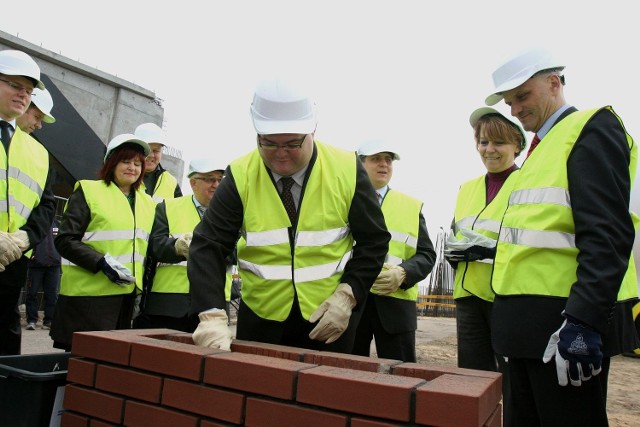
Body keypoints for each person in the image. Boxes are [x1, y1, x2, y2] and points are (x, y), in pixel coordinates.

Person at [485, 47, 640, 426]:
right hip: (525, 329)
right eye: (509, 102)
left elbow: (606, 235)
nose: (516, 110)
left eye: (522, 96)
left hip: (563, 328)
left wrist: (584, 322)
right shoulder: (539, 150)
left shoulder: (590, 128)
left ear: (554, 83)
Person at [188, 77, 390, 353]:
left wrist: (348, 295)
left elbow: (374, 242)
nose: (280, 155)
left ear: (313, 130)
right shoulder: (240, 174)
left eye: (292, 144)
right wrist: (211, 314)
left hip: (328, 321)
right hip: (261, 319)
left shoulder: (346, 169)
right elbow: (208, 245)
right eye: (268, 143)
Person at [444, 107, 525, 426]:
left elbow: (529, 242)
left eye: (499, 143)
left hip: (507, 299)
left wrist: (489, 250)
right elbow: (458, 231)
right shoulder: (467, 188)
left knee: (514, 384)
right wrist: (454, 253)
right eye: (483, 142)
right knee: (472, 383)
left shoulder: (526, 185)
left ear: (516, 145)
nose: (490, 149)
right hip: (468, 299)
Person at [51, 134, 155, 351]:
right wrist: (101, 262)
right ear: (111, 163)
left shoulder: (147, 203)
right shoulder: (89, 191)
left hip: (125, 298)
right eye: (126, 161)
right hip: (88, 298)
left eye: (137, 164)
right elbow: (66, 240)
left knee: (108, 364)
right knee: (80, 363)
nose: (132, 168)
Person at [352, 140, 436, 362]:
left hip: (395, 307)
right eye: (376, 159)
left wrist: (403, 273)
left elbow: (427, 255)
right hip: (351, 304)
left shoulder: (409, 206)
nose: (384, 164)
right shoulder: (342, 199)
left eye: (388, 160)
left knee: (401, 380)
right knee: (346, 376)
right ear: (359, 163)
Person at [0, 49, 56, 355]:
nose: (23, 95)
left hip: (11, 263)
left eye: (28, 90)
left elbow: (46, 207)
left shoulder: (38, 153)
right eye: (15, 85)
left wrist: (24, 239)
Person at [136, 158, 227, 332]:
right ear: (193, 183)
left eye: (219, 180)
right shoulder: (167, 208)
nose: (216, 184)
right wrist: (176, 246)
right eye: (209, 179)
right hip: (169, 305)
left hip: (213, 305)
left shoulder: (230, 214)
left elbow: (236, 251)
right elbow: (154, 246)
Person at [25, 220, 61, 330]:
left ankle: (49, 321)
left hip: (54, 265)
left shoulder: (57, 224)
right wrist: (31, 255)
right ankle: (31, 321)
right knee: (32, 293)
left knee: (52, 295)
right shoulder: (33, 222)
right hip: (36, 265)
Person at [134, 122, 182, 203]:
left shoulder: (171, 183)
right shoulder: (124, 174)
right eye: (147, 150)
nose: (151, 155)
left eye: (156, 150)